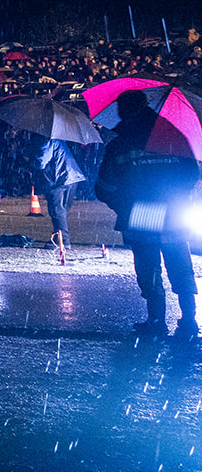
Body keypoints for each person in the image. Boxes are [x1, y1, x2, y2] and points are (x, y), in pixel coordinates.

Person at [95, 89, 200, 341]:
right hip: (173, 213)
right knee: (179, 264)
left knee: (148, 267)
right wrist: (173, 195)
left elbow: (104, 187)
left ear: (123, 110)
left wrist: (124, 205)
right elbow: (192, 175)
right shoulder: (173, 136)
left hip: (141, 214)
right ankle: (189, 319)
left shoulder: (121, 143)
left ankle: (156, 320)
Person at [34, 135, 87, 248]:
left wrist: (30, 162)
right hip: (72, 177)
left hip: (58, 179)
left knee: (57, 210)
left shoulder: (49, 141)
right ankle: (60, 237)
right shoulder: (62, 140)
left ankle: (63, 241)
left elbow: (41, 162)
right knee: (63, 210)